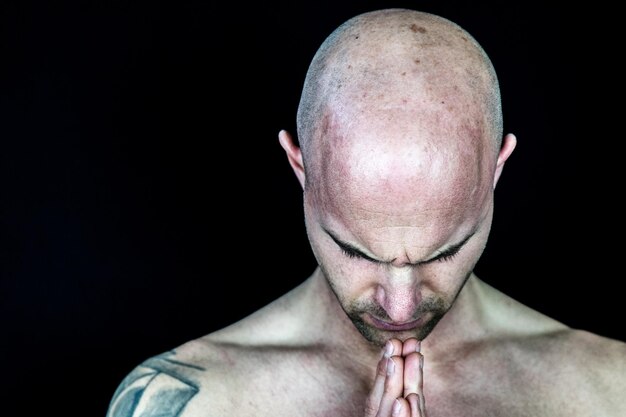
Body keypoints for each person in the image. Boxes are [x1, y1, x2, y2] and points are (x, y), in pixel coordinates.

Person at [105, 8, 626, 417]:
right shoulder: (185, 402)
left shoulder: (611, 388)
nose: (400, 309)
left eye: (444, 252)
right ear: (299, 167)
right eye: (355, 250)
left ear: (497, 170)